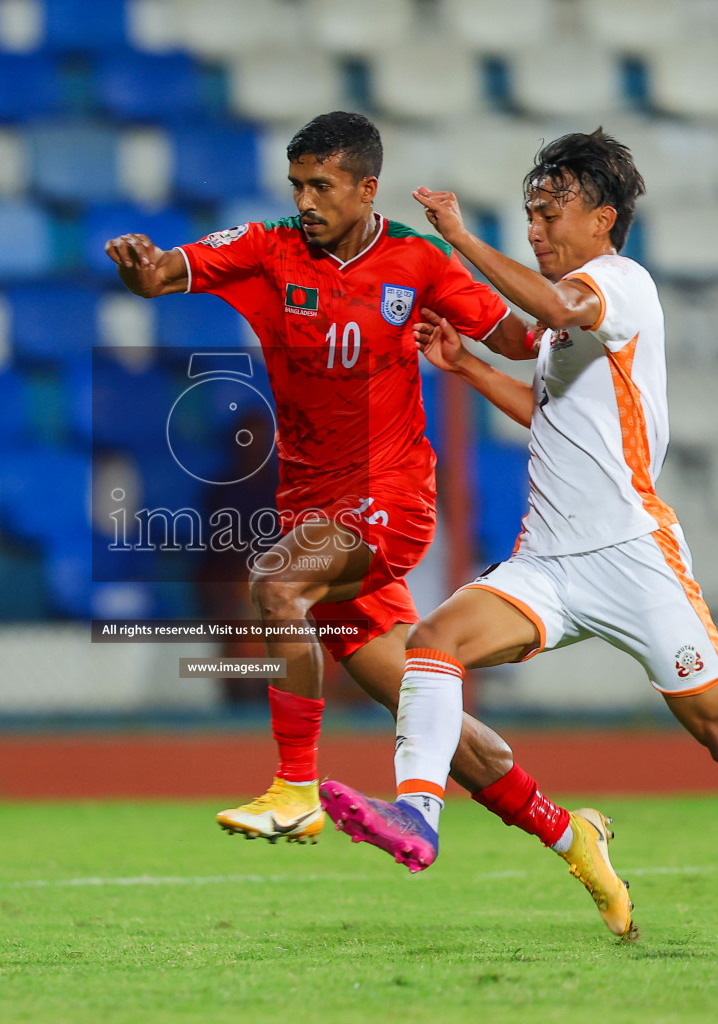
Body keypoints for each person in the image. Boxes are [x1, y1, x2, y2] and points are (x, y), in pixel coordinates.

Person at [318, 129, 718, 951]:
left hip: (634, 560)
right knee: (436, 639)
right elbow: (550, 414)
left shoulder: (617, 285)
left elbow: (550, 310)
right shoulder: (573, 316)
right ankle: (417, 814)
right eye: (528, 213)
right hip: (549, 565)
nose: (535, 228)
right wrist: (470, 368)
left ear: (603, 218)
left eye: (550, 212)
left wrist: (459, 237)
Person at [105, 112, 636, 938]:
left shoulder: (419, 263)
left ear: (366, 188)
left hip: (390, 502)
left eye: (322, 186)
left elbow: (533, 339)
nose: (306, 201)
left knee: (276, 583)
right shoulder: (266, 248)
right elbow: (169, 272)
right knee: (440, 728)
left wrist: (566, 325)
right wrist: (143, 271)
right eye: (297, 185)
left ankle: (294, 790)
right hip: (314, 513)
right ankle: (576, 838)